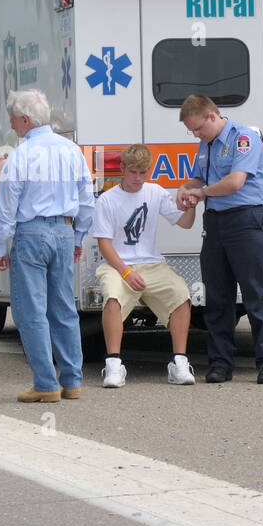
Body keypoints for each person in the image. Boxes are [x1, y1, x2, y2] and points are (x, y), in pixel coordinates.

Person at [0, 89, 94, 403]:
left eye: (13, 121)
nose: (12, 128)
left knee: (30, 311)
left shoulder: (20, 154)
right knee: (63, 308)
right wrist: (78, 237)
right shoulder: (71, 150)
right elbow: (86, 201)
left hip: (31, 234)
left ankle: (46, 384)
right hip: (64, 231)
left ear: (25, 120)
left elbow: (6, 205)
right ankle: (72, 381)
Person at [177, 95, 263, 384]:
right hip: (215, 223)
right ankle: (220, 364)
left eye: (198, 128)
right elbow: (200, 179)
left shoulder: (243, 138)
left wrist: (203, 193)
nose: (196, 135)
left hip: (244, 221)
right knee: (218, 298)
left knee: (256, 295)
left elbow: (236, 182)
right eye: (192, 131)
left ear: (212, 116)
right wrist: (186, 188)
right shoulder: (206, 144)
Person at [92, 144, 197, 387]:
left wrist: (192, 206)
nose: (138, 178)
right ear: (122, 169)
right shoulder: (107, 199)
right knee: (112, 298)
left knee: (181, 294)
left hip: (151, 264)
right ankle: (114, 366)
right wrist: (126, 272)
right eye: (133, 172)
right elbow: (105, 246)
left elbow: (184, 223)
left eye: (143, 172)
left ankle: (179, 363)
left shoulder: (155, 192)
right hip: (117, 265)